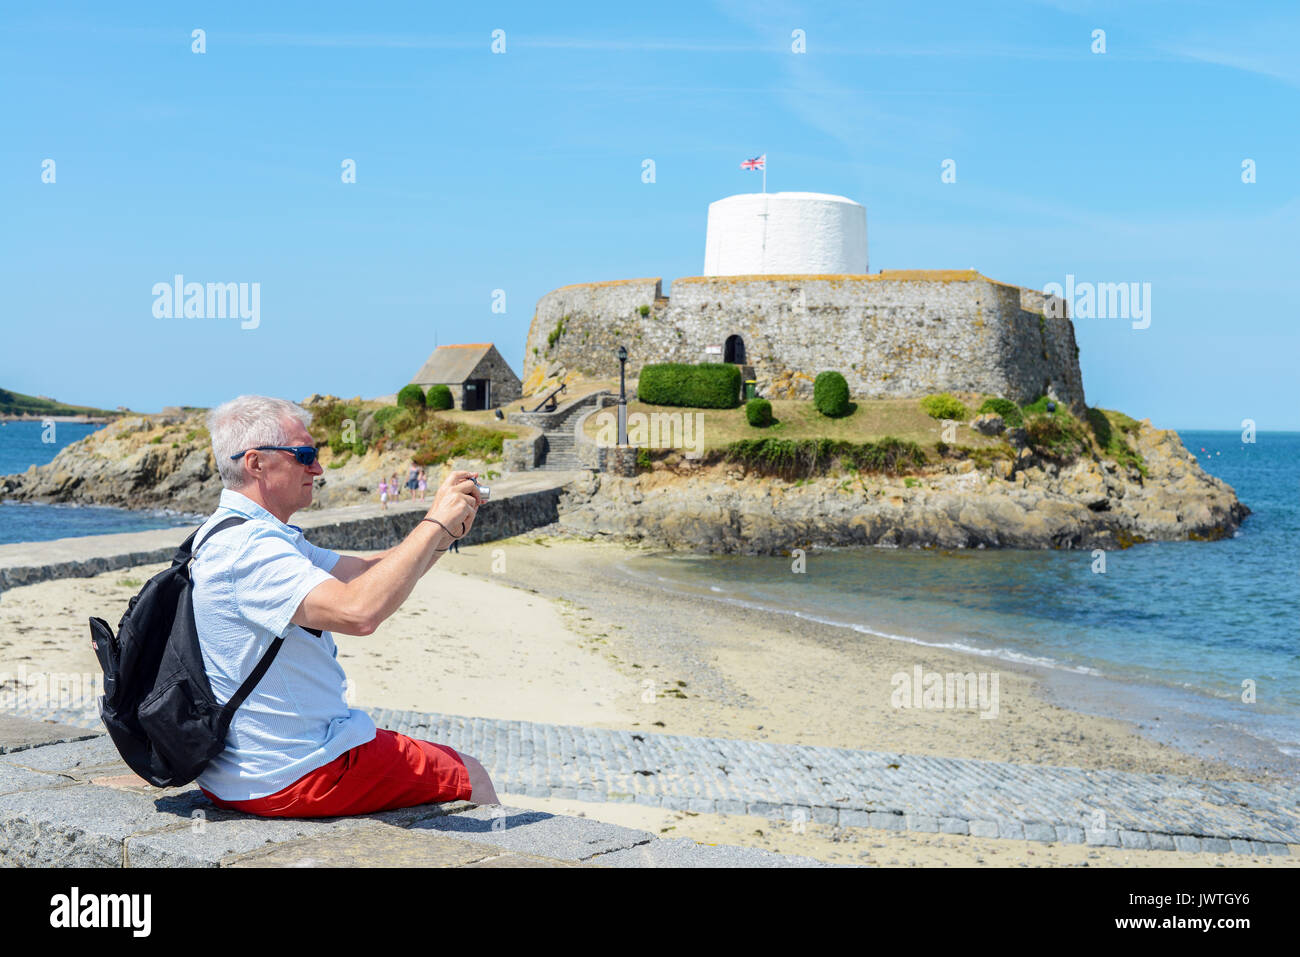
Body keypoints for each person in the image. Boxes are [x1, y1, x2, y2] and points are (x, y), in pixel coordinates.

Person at [190, 395, 495, 818]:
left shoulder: (238, 532)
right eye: (305, 456)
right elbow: (359, 612)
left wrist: (442, 536)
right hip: (293, 772)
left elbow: (362, 573)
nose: (317, 468)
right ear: (256, 464)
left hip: (245, 769)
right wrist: (434, 523)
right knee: (471, 775)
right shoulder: (249, 550)